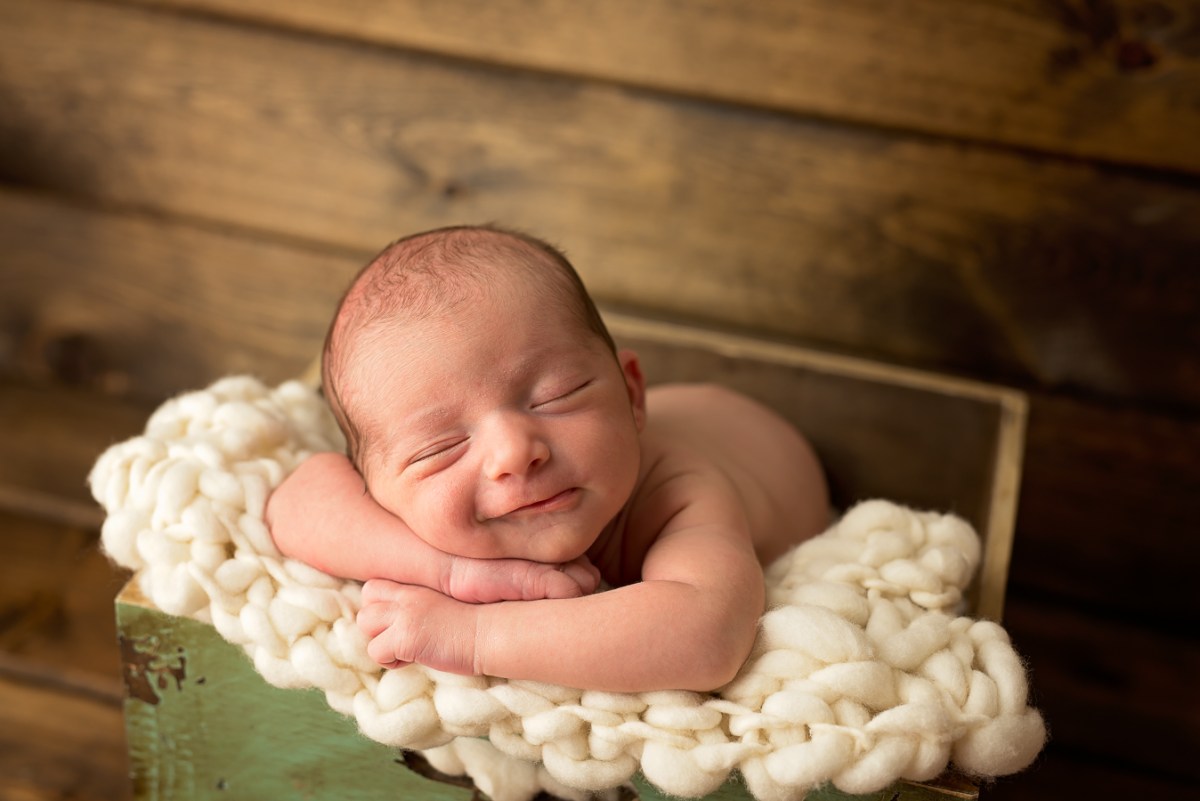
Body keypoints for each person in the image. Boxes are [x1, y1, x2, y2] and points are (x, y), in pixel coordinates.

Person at [266, 225, 830, 693]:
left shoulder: (680, 489)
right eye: (442, 446)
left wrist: (474, 632)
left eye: (555, 396)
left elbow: (706, 636)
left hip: (754, 436)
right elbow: (298, 500)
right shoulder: (411, 511)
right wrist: (453, 572)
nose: (514, 452)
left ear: (632, 395)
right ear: (374, 487)